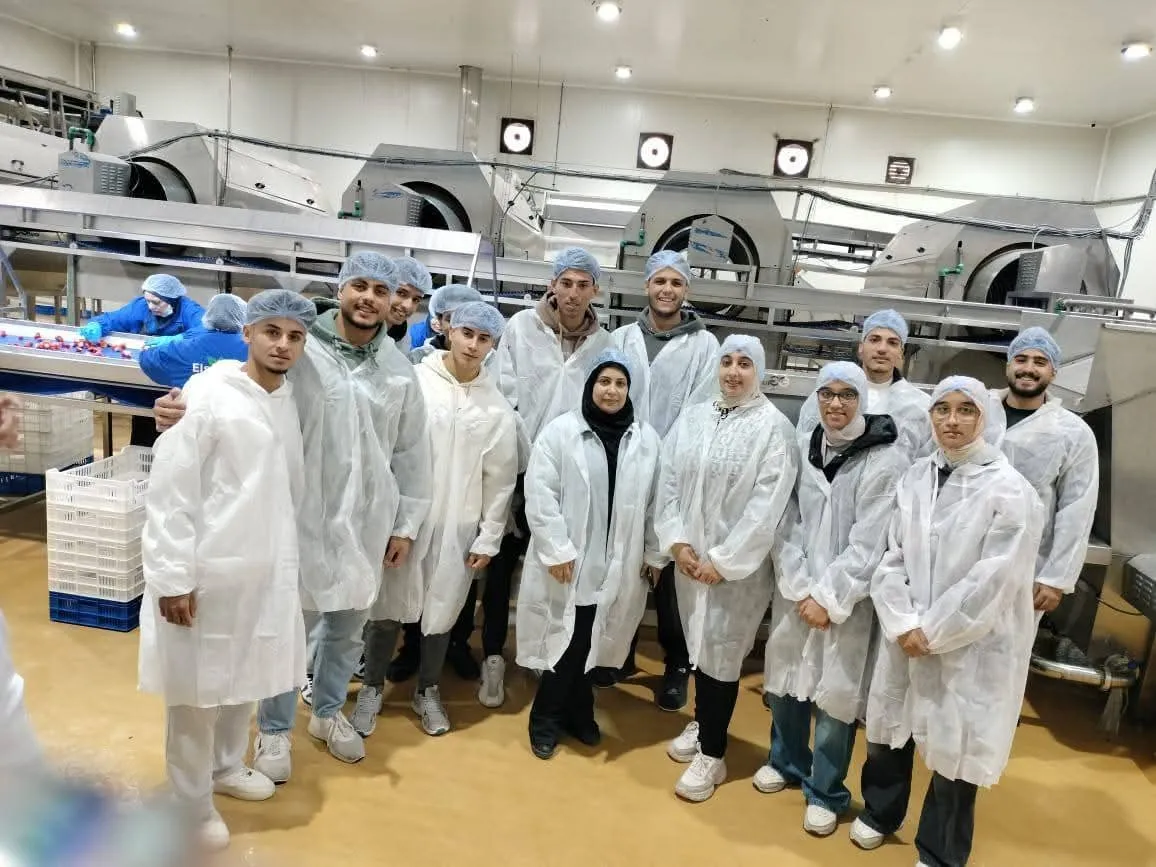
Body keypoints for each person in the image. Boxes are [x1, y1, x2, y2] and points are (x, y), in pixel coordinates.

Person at [152, 252, 432, 777]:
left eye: (381, 290)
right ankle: (275, 730)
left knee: (348, 627)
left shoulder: (399, 370)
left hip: (366, 519)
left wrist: (405, 523)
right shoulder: (302, 348)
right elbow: (240, 384)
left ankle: (327, 712)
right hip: (297, 513)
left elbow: (413, 450)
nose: (369, 298)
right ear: (342, 289)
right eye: (360, 286)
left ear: (394, 300)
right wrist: (179, 407)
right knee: (285, 628)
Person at [139, 289, 318, 850]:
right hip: (207, 571)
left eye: (295, 336)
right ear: (247, 333)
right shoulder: (208, 394)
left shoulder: (286, 400)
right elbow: (171, 488)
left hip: (261, 573)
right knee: (196, 693)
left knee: (245, 678)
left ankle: (224, 767)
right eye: (272, 332)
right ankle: (189, 802)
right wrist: (173, 577)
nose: (283, 344)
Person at [851, 376, 1043, 867]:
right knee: (889, 726)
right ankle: (881, 812)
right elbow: (891, 555)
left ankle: (939, 853)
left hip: (970, 644)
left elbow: (993, 580)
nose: (951, 421)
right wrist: (903, 622)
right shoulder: (916, 477)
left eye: (965, 410)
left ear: (985, 417)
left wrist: (932, 631)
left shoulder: (1010, 490)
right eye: (942, 409)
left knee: (957, 749)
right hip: (906, 630)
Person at [421, 246, 612, 709]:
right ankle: (491, 655)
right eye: (565, 283)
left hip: (570, 476)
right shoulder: (522, 327)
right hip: (518, 464)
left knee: (558, 565)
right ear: (552, 284)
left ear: (595, 290)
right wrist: (527, 456)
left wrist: (566, 462)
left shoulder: (603, 343)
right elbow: (504, 396)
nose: (573, 293)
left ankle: (549, 655)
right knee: (497, 563)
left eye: (582, 285)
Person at [354, 301, 518, 738]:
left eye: (484, 338)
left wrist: (488, 536)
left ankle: (427, 690)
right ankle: (372, 687)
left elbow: (500, 479)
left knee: (443, 608)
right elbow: (388, 448)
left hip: (457, 526)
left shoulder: (496, 407)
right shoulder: (416, 382)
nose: (473, 344)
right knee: (386, 606)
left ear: (493, 345)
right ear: (449, 330)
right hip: (404, 519)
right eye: (467, 333)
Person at [759, 361, 906, 837]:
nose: (835, 403)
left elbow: (870, 542)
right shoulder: (803, 447)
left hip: (847, 600)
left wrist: (828, 597)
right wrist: (799, 585)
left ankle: (825, 790)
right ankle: (785, 761)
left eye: (847, 394)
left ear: (862, 400)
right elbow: (785, 519)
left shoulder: (886, 460)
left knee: (835, 697)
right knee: (785, 678)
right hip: (796, 589)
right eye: (827, 393)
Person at [657, 335, 796, 802]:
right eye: (727, 362)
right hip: (690, 561)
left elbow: (767, 507)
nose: (734, 372)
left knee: (722, 654)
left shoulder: (774, 428)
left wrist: (724, 560)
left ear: (759, 372)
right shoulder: (695, 417)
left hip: (736, 572)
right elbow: (668, 480)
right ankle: (703, 723)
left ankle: (712, 755)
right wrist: (676, 540)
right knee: (699, 646)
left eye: (745, 364)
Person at [517, 349, 664, 759]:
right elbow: (540, 494)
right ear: (590, 385)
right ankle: (545, 720)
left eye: (620, 383)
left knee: (593, 642)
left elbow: (656, 503)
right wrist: (556, 549)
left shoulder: (646, 440)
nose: (611, 390)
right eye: (604, 381)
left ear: (630, 390)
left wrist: (654, 554)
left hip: (619, 561)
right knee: (568, 641)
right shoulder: (561, 432)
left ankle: (579, 712)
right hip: (571, 560)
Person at [602, 249, 719, 708]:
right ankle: (617, 652)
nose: (667, 290)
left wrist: (667, 457)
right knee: (623, 558)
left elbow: (701, 408)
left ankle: (676, 665)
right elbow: (608, 396)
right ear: (646, 286)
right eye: (660, 281)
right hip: (625, 462)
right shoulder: (621, 337)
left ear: (686, 290)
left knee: (671, 571)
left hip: (677, 467)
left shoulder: (705, 345)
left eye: (676, 282)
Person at [999, 327, 1099, 617]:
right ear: (1008, 365)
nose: (1028, 369)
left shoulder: (1072, 432)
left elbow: (1077, 508)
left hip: (1025, 564)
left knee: (1004, 641)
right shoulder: (978, 412)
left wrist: (1056, 578)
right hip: (960, 555)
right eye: (1021, 359)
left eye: (1040, 362)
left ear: (1053, 372)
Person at [78, 274, 205, 447]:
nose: (151, 307)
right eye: (148, 301)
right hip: (146, 377)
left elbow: (205, 331)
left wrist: (178, 339)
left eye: (157, 302)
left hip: (175, 382)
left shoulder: (189, 310)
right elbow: (115, 319)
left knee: (173, 434)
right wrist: (98, 326)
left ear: (172, 299)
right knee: (144, 429)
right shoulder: (141, 307)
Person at [797, 310, 931, 458]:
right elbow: (803, 447)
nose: (882, 349)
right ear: (861, 347)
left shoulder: (919, 406)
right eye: (874, 340)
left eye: (892, 343)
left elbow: (926, 462)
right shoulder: (826, 396)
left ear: (901, 352)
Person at [138, 293, 249, 389]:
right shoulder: (252, 349)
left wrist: (147, 352)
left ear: (208, 315)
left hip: (192, 405)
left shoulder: (184, 348)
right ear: (243, 317)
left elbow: (148, 361)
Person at [408, 283, 484, 364]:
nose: (458, 327)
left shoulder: (486, 358)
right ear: (440, 321)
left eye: (466, 321)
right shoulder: (420, 358)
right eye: (451, 320)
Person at [389, 256, 434, 350]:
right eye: (401, 293)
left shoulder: (400, 331)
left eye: (416, 300)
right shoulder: (360, 328)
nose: (408, 306)